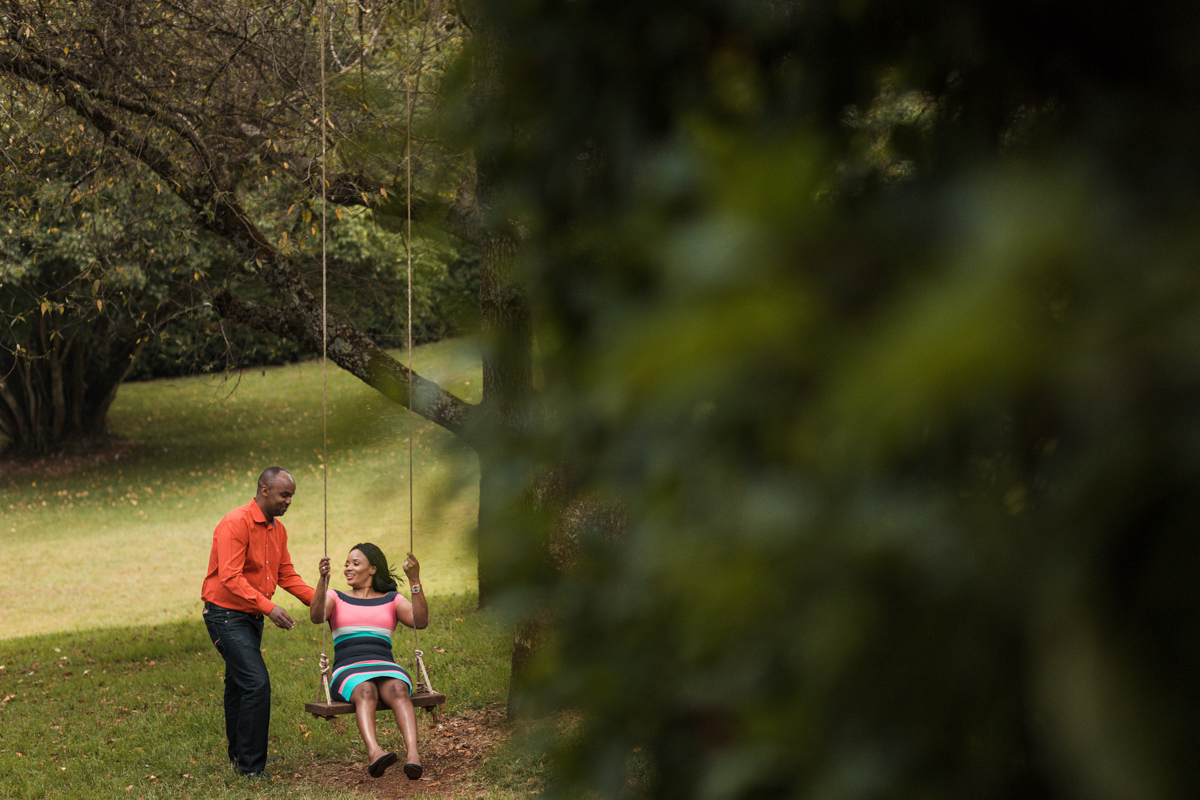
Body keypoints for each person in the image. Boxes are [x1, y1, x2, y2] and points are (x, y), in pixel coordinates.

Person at [200, 466, 317, 778]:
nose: (288, 501)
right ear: (265, 491)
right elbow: (230, 577)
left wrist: (322, 600)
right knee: (256, 683)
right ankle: (252, 768)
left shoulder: (277, 530)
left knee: (239, 686)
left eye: (291, 496)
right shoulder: (235, 523)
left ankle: (242, 760)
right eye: (284, 494)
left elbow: (286, 574)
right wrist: (270, 608)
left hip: (249, 617)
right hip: (224, 614)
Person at [311, 543, 429, 779]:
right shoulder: (336, 596)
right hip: (348, 669)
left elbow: (420, 620)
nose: (348, 569)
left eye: (355, 563)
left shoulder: (392, 599)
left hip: (384, 665)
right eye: (346, 564)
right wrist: (322, 580)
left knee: (398, 688)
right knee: (365, 690)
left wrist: (415, 580)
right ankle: (374, 752)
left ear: (373, 569)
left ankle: (413, 754)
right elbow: (316, 616)